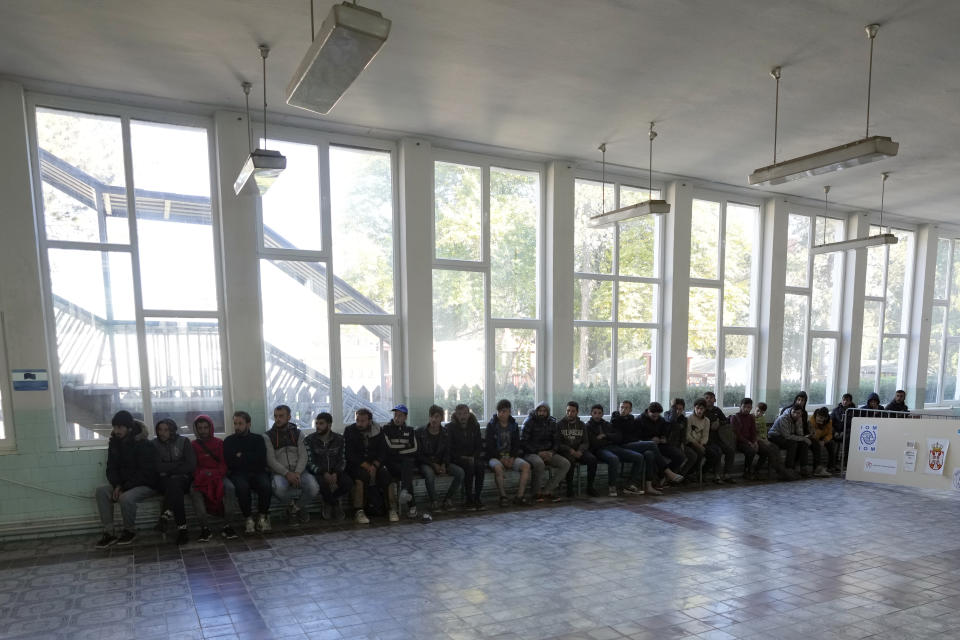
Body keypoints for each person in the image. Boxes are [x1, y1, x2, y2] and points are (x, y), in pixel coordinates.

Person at [95, 411, 159, 548]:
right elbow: (111, 468)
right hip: (123, 485)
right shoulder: (114, 443)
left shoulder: (143, 444)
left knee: (125, 498)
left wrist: (123, 487)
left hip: (146, 484)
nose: (116, 431)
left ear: (129, 428)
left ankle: (129, 531)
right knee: (101, 491)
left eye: (120, 427)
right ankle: (109, 532)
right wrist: (117, 485)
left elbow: (145, 473)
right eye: (114, 427)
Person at [265, 404, 319, 525]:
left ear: (289, 417)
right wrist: (287, 473)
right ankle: (295, 507)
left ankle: (295, 508)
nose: (277, 419)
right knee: (278, 489)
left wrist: (297, 473)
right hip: (280, 473)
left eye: (281, 416)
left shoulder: (298, 434)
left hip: (299, 471)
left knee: (313, 488)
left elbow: (304, 455)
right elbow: (270, 460)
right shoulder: (268, 436)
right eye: (275, 416)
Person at [586, 403, 651, 496]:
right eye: (595, 413)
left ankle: (630, 485)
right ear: (591, 414)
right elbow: (594, 442)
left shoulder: (607, 424)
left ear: (602, 414)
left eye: (599, 413)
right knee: (613, 459)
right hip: (600, 450)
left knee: (639, 457)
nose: (597, 415)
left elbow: (619, 437)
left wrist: (605, 436)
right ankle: (612, 486)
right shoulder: (588, 426)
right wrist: (610, 439)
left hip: (614, 447)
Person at [224, 410, 272, 533]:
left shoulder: (258, 439)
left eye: (240, 423)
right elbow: (230, 462)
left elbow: (261, 460)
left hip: (257, 471)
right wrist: (249, 457)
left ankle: (262, 517)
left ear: (248, 424)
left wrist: (241, 456)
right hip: (238, 473)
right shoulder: (229, 441)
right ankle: (248, 519)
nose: (237, 427)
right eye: (235, 423)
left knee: (266, 485)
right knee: (242, 488)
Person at [189, 414, 233, 541]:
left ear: (210, 428)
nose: (203, 431)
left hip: (218, 476)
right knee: (194, 492)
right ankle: (205, 528)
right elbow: (193, 466)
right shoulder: (193, 445)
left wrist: (215, 475)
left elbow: (224, 463)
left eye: (205, 427)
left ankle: (227, 525)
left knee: (230, 488)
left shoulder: (219, 443)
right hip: (201, 477)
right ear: (196, 429)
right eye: (200, 428)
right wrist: (203, 475)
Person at [383, 403, 430, 522]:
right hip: (391, 464)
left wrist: (398, 450)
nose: (397, 418)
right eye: (395, 415)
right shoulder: (386, 429)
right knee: (407, 468)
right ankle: (411, 505)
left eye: (400, 416)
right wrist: (404, 447)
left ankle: (404, 492)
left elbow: (414, 448)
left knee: (408, 464)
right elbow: (389, 448)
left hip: (404, 464)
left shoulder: (410, 430)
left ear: (405, 417)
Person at [344, 408, 391, 524]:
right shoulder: (349, 431)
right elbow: (349, 453)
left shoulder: (378, 430)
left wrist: (375, 465)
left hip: (374, 463)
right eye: (357, 420)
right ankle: (359, 511)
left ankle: (391, 508)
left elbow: (383, 451)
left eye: (363, 421)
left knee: (386, 476)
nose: (359, 424)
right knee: (360, 478)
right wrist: (366, 465)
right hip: (356, 464)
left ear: (369, 421)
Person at [153, 418, 196, 545]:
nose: (162, 433)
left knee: (176, 486)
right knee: (175, 490)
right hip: (163, 481)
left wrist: (169, 470)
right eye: (160, 430)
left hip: (183, 479)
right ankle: (182, 530)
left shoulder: (183, 441)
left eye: (166, 430)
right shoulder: (154, 444)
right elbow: (157, 467)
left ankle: (165, 517)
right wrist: (177, 465)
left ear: (172, 430)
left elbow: (191, 465)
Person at [417, 405, 465, 512]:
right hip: (426, 463)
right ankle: (434, 501)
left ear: (442, 418)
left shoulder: (445, 433)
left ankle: (447, 499)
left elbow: (447, 452)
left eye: (437, 417)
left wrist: (444, 464)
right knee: (429, 474)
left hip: (441, 462)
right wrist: (433, 464)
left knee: (460, 472)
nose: (433, 419)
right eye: (431, 416)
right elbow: (419, 455)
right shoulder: (420, 432)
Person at [304, 412, 351, 521]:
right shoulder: (309, 440)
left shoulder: (339, 439)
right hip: (319, 472)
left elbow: (342, 459)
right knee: (322, 483)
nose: (318, 426)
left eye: (321, 423)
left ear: (329, 425)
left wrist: (335, 473)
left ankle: (329, 500)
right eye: (316, 423)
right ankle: (335, 504)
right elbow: (309, 462)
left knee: (348, 483)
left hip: (336, 471)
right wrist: (324, 473)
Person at [485, 399, 532, 506]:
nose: (502, 414)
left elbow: (516, 444)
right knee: (498, 468)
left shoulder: (513, 425)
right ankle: (503, 496)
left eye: (504, 411)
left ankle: (519, 496)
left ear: (509, 412)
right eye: (500, 411)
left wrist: (512, 457)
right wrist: (501, 459)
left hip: (511, 457)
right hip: (495, 457)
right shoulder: (491, 425)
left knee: (526, 466)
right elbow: (490, 447)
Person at [521, 402, 571, 502]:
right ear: (536, 411)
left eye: (544, 411)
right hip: (531, 453)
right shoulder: (529, 421)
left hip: (548, 452)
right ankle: (536, 493)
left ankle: (547, 490)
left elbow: (557, 441)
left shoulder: (552, 422)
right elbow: (524, 442)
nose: (542, 413)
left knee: (565, 464)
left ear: (548, 412)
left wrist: (551, 452)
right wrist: (538, 452)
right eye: (540, 411)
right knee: (539, 463)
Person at [447, 403, 486, 510]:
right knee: (469, 466)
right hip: (457, 458)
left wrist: (474, 456)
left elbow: (478, 445)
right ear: (456, 415)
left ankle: (477, 498)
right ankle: (468, 499)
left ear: (469, 414)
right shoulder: (450, 427)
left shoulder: (475, 425)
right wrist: (463, 458)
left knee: (480, 466)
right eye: (459, 414)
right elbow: (449, 448)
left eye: (465, 413)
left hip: (472, 457)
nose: (462, 416)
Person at [637, 401, 686, 484]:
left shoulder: (661, 419)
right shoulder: (639, 420)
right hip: (645, 445)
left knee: (680, 456)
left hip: (659, 444)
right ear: (648, 411)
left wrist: (663, 438)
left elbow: (664, 432)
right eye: (653, 416)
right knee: (651, 454)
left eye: (657, 416)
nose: (655, 418)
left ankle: (663, 475)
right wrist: (650, 440)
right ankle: (666, 475)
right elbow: (637, 438)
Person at [556, 401, 597, 497]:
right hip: (566, 451)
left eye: (573, 411)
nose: (570, 413)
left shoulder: (582, 425)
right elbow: (558, 443)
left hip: (579, 451)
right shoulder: (559, 424)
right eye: (568, 411)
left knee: (592, 460)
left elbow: (586, 442)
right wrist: (570, 450)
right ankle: (569, 488)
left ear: (577, 412)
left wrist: (580, 451)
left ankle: (590, 487)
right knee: (571, 460)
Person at [768, 404, 811, 477]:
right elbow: (787, 436)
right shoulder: (783, 418)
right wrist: (803, 438)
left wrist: (799, 425)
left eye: (798, 413)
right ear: (791, 411)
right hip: (775, 436)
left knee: (804, 443)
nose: (795, 415)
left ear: (801, 413)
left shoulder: (799, 418)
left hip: (788, 436)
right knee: (793, 444)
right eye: (794, 412)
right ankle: (789, 468)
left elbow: (800, 434)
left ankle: (804, 468)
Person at [703, 391, 736, 484]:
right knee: (718, 451)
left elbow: (725, 421)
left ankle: (727, 474)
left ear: (715, 399)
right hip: (707, 440)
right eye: (707, 398)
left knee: (730, 451)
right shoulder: (702, 411)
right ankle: (716, 475)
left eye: (711, 398)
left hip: (718, 438)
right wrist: (710, 426)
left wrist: (719, 423)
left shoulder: (717, 410)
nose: (709, 400)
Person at [686, 398, 715, 480]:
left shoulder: (706, 420)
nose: (699, 411)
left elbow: (705, 435)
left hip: (701, 443)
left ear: (704, 409)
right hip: (691, 443)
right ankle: (690, 473)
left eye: (701, 409)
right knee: (699, 453)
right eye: (697, 408)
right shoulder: (689, 418)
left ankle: (702, 472)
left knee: (713, 455)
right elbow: (687, 435)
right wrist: (697, 445)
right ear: (694, 408)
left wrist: (702, 444)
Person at [664, 398, 692, 476]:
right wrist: (673, 407)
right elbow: (672, 421)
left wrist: (683, 444)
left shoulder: (684, 419)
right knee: (680, 456)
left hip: (678, 443)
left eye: (680, 409)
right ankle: (667, 475)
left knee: (693, 455)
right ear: (672, 408)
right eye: (676, 409)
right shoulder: (667, 414)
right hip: (668, 443)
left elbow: (683, 433)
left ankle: (682, 474)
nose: (677, 411)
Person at [808, 407, 837, 476]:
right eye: (818, 416)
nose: (818, 418)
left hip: (823, 437)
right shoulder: (812, 420)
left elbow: (830, 434)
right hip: (813, 438)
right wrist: (820, 426)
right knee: (816, 445)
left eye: (821, 417)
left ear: (825, 418)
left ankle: (831, 467)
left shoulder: (829, 422)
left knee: (831, 444)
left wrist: (824, 440)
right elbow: (813, 435)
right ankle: (817, 469)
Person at [830, 394, 855, 469]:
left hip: (848, 432)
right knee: (833, 442)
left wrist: (845, 432)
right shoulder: (835, 410)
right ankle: (833, 464)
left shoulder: (854, 411)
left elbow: (854, 425)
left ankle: (844, 462)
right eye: (843, 400)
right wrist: (835, 432)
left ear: (850, 402)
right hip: (836, 432)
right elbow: (830, 423)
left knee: (847, 440)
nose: (845, 402)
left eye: (847, 400)